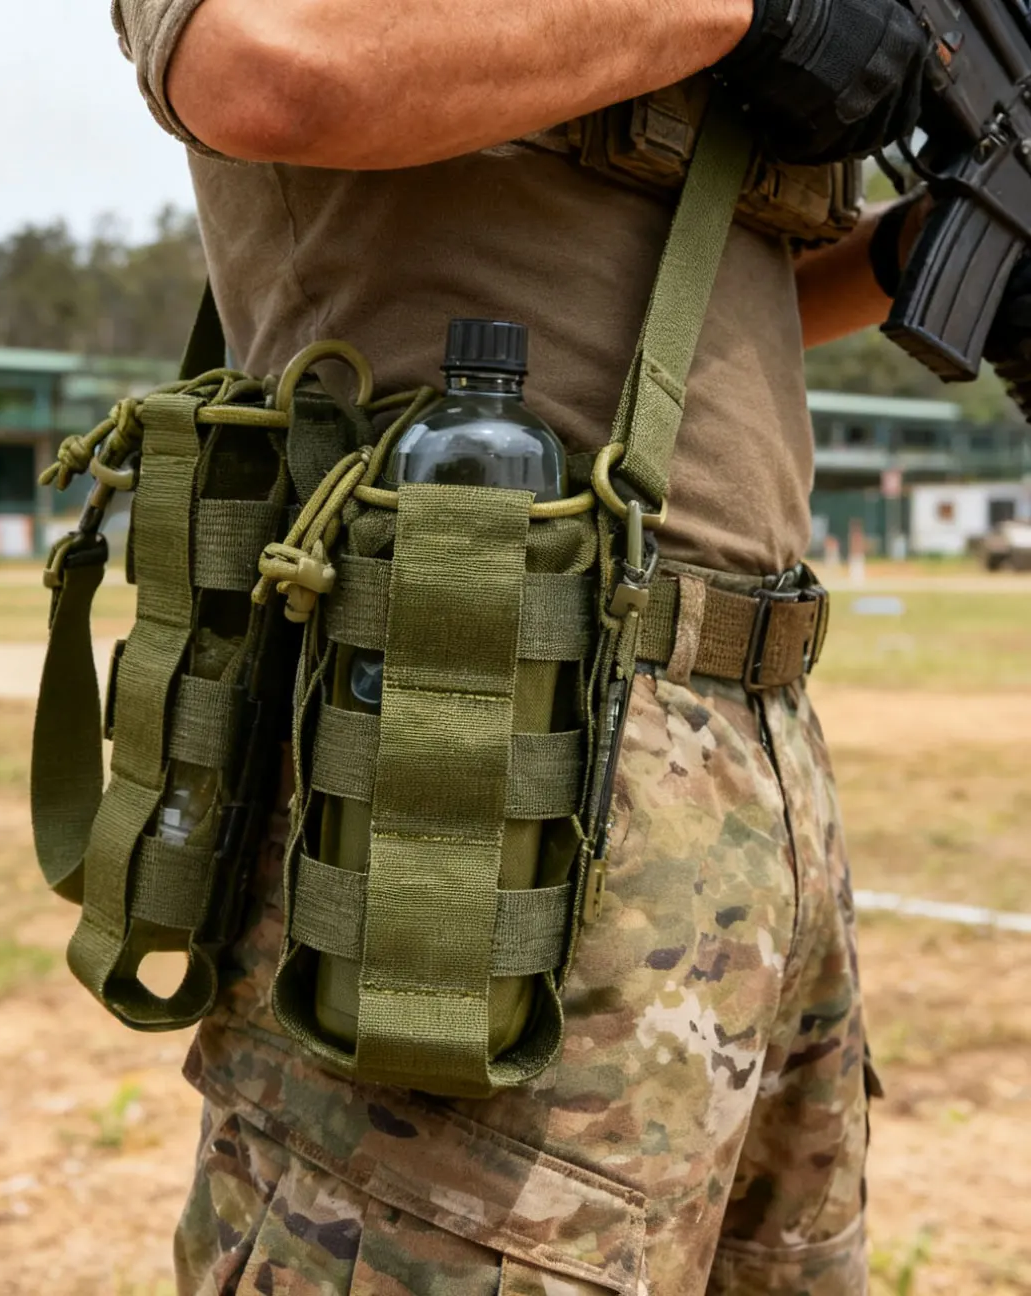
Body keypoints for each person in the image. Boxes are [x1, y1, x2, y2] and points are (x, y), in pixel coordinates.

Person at [109, 1, 930, 1291]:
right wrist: (747, 12)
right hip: (479, 728)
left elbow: (719, 285)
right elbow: (269, 70)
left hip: (749, 756)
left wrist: (913, 256)